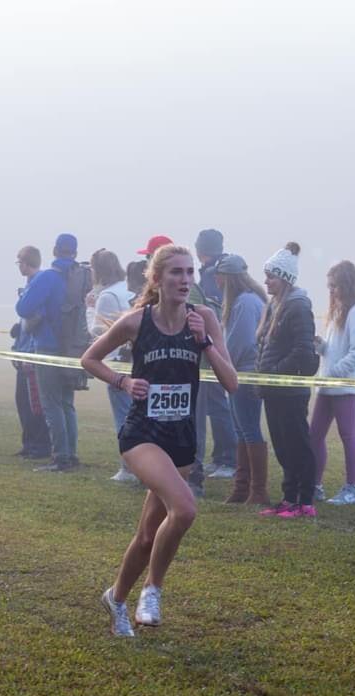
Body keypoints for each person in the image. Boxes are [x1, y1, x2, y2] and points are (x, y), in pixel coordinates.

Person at [81, 244, 238, 637]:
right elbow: (90, 358)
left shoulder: (203, 319)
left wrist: (205, 345)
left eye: (189, 273)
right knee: (184, 509)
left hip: (181, 436)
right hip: (142, 434)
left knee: (149, 534)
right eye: (176, 273)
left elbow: (231, 382)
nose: (185, 280)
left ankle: (116, 598)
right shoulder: (137, 322)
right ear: (157, 279)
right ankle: (152, 589)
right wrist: (122, 380)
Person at [256, 242, 320, 519]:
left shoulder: (298, 307)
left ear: (284, 277)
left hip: (290, 391)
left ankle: (304, 501)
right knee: (282, 445)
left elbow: (303, 351)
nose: (266, 281)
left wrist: (276, 372)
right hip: (273, 391)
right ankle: (288, 497)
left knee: (297, 445)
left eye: (270, 275)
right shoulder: (275, 305)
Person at [16, 233, 81, 472]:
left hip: (49, 344)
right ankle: (71, 454)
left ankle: (60, 457)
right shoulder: (80, 275)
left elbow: (23, 307)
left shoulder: (49, 277)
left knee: (51, 403)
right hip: (73, 346)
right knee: (66, 403)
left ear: (55, 250)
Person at [310, 260, 355, 506]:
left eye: (334, 286)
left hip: (344, 385)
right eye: (329, 286)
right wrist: (320, 346)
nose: (331, 291)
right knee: (314, 435)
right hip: (328, 384)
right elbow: (334, 349)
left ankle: (352, 489)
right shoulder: (338, 311)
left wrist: (335, 371)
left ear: (346, 284)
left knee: (348, 435)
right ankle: (314, 485)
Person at [214, 253, 270, 505]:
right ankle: (242, 487)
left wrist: (224, 364)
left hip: (244, 372)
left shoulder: (245, 303)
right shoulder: (246, 300)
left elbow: (240, 342)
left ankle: (256, 490)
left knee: (248, 429)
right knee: (241, 430)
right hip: (239, 371)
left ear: (227, 278)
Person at [87, 248, 137, 481]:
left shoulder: (107, 296)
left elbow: (98, 332)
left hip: (117, 363)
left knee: (124, 417)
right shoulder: (125, 290)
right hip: (133, 360)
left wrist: (89, 307)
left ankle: (129, 467)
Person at [193, 228, 238, 482]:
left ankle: (228, 458)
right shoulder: (215, 270)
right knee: (216, 404)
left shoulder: (211, 275)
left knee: (218, 405)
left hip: (214, 344)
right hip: (217, 342)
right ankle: (220, 454)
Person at [11, 246, 51, 459]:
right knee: (22, 401)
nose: (19, 266)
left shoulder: (39, 284)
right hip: (23, 349)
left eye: (19, 262)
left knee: (35, 403)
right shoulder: (29, 285)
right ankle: (28, 443)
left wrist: (24, 330)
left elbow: (35, 317)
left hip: (32, 352)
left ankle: (40, 445)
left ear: (26, 263)